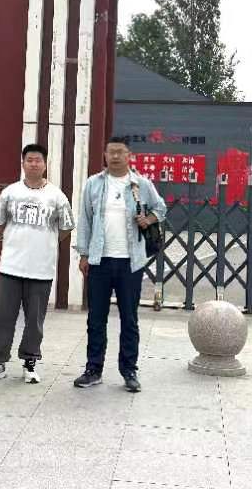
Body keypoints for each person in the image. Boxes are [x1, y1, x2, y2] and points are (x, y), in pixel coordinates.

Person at [73, 136, 166, 392]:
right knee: (96, 319)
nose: (115, 156)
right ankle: (93, 369)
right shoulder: (93, 184)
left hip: (130, 262)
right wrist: (83, 254)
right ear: (105, 155)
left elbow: (161, 208)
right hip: (100, 260)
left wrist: (148, 219)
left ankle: (129, 371)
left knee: (129, 319)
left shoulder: (141, 184)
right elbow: (85, 220)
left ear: (129, 156)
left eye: (120, 152)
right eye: (111, 152)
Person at [0, 143, 74, 385]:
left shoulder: (57, 196)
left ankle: (30, 362)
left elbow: (65, 228)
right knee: (3, 317)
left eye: (38, 160)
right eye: (29, 160)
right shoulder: (10, 192)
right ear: (23, 163)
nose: (33, 164)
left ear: (45, 164)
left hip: (41, 269)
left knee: (35, 320)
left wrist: (45, 242)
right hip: (10, 267)